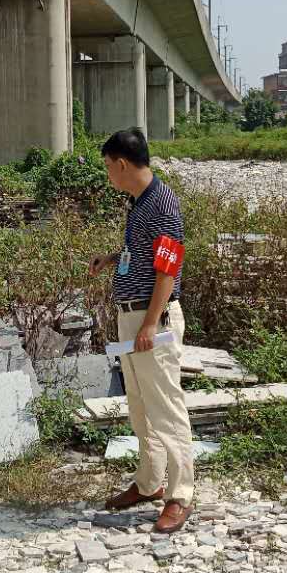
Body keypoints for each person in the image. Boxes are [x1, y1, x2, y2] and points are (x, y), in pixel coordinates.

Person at [89, 129, 193, 534]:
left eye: (107, 167)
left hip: (153, 322)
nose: (107, 175)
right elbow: (145, 253)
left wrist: (151, 322)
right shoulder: (139, 203)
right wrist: (113, 257)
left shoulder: (162, 203)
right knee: (140, 406)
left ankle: (180, 494)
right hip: (131, 317)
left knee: (166, 408)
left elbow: (169, 266)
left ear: (122, 164)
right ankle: (149, 482)